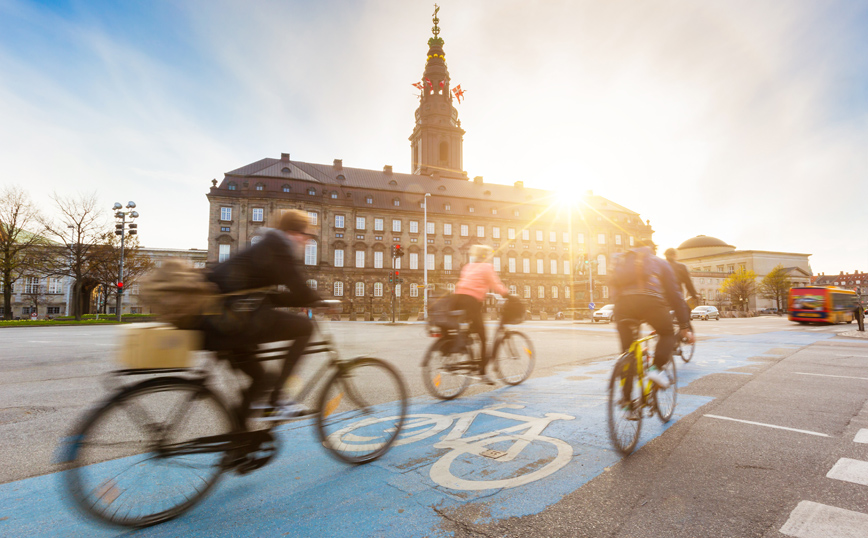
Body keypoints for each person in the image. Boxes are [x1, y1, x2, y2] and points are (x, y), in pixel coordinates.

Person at [204, 209, 321, 427]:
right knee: (304, 327)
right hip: (231, 320)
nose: (307, 240)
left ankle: (238, 447)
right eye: (305, 234)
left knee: (260, 381)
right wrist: (318, 299)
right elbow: (300, 291)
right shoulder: (279, 248)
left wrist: (304, 299)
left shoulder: (269, 245)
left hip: (221, 319)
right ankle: (277, 399)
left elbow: (271, 297)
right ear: (293, 232)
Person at [611, 239, 694, 401]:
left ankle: (627, 404)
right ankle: (656, 369)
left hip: (623, 306)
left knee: (628, 352)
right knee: (667, 333)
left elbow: (614, 288)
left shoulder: (621, 260)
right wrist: (684, 325)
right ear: (652, 249)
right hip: (651, 302)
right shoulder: (659, 263)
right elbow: (675, 295)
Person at [452, 245, 509, 382]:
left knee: (469, 330)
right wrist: (508, 294)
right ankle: (482, 373)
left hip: (457, 299)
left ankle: (463, 345)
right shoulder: (486, 267)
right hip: (472, 302)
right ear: (485, 256)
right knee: (483, 338)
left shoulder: (467, 266)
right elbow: (496, 285)